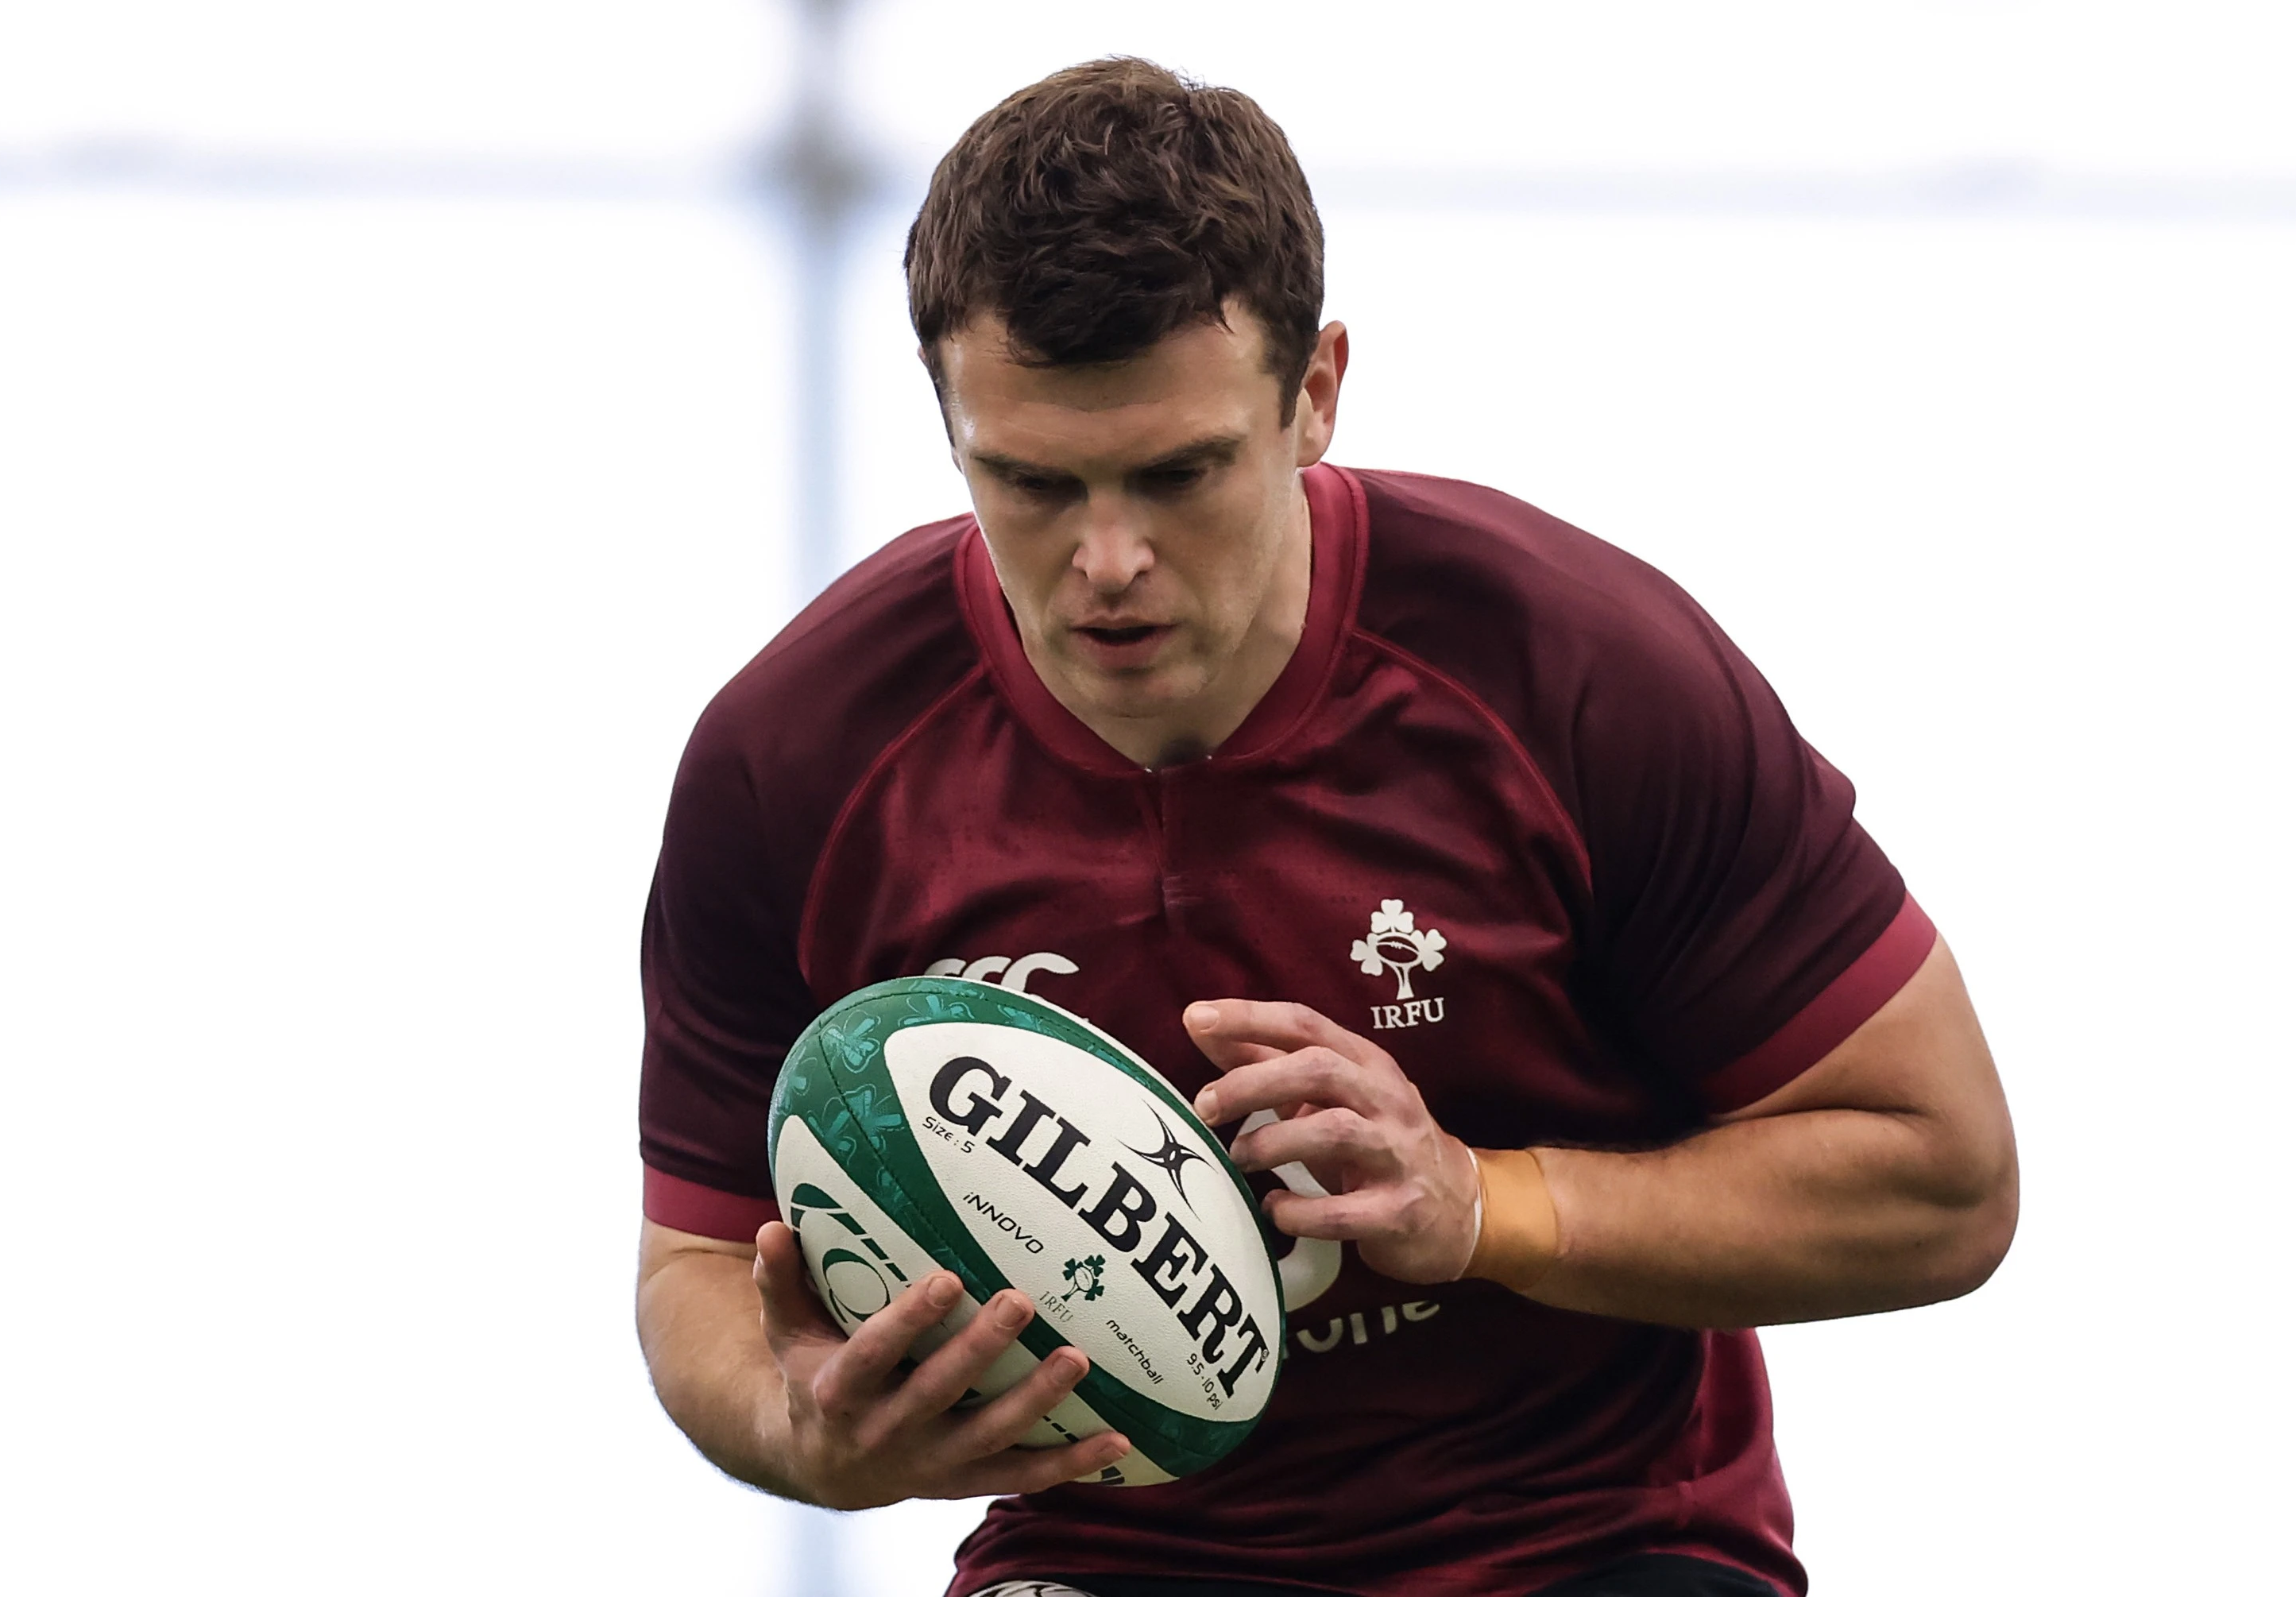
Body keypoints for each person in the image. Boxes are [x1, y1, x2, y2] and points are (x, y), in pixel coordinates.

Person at [635, 56, 2016, 1597]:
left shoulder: (1573, 676)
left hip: (1583, 1543)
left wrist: (1484, 1204)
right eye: (1027, 481)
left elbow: (1940, 1176)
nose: (1105, 560)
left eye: (1177, 475)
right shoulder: (799, 756)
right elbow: (695, 1266)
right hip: (1105, 1555)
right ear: (949, 421)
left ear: (1314, 396)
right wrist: (799, 1429)